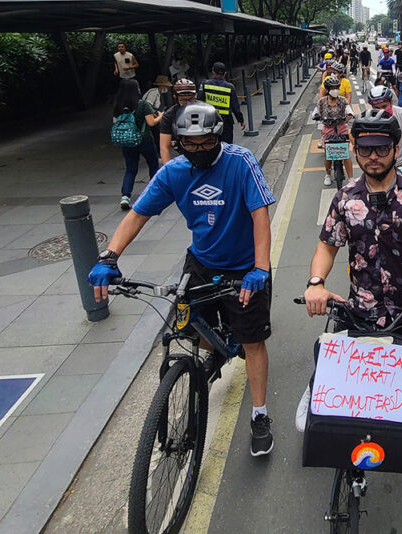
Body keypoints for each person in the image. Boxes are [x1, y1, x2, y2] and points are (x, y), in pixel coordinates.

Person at [88, 102, 277, 456]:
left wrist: (261, 269)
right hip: (201, 262)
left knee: (252, 341)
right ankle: (221, 349)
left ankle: (260, 414)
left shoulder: (240, 162)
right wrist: (109, 256)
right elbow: (138, 215)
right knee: (187, 327)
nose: (199, 150)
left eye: (206, 142)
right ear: (179, 143)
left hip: (244, 265)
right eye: (191, 144)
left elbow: (260, 215)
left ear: (218, 137)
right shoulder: (173, 173)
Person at [304, 109, 402, 351]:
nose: (373, 156)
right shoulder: (345, 198)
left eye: (382, 149)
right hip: (360, 314)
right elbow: (327, 245)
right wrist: (316, 283)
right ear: (355, 151)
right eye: (365, 149)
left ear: (396, 150)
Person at [112, 79, 162, 210]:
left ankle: (125, 196)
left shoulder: (118, 105)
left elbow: (115, 122)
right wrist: (160, 116)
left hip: (127, 141)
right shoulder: (142, 104)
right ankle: (154, 192)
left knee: (130, 169)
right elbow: (151, 122)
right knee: (153, 164)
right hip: (144, 139)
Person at [366, 85, 402, 175]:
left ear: (391, 103)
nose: (381, 111)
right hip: (379, 165)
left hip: (401, 163)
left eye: (384, 106)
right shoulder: (367, 118)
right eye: (376, 108)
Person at [318, 75, 354, 186]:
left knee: (346, 154)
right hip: (328, 130)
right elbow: (317, 112)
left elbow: (348, 109)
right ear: (328, 90)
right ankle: (328, 175)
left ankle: (351, 178)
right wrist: (316, 116)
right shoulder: (322, 101)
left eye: (336, 88)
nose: (335, 90)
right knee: (327, 154)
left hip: (342, 128)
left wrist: (350, 114)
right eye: (332, 88)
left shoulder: (342, 100)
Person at [198, 62, 246, 144]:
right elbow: (235, 107)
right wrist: (241, 120)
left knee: (211, 143)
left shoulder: (205, 84)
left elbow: (199, 101)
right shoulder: (230, 87)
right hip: (226, 121)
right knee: (227, 146)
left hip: (210, 120)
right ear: (225, 74)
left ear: (213, 72)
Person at [159, 78, 197, 163]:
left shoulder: (204, 110)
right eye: (183, 100)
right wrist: (169, 170)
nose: (187, 103)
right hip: (181, 154)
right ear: (175, 97)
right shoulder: (169, 116)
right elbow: (164, 147)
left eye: (190, 99)